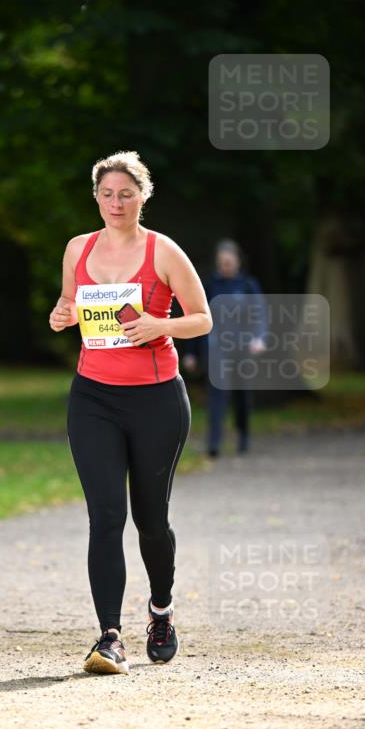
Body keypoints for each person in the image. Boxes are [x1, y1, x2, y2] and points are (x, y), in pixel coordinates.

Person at [49, 151, 212, 675]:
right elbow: (68, 306)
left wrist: (158, 326)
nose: (116, 203)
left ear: (143, 196)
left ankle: (160, 611)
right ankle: (109, 638)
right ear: (95, 198)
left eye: (126, 193)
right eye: (107, 194)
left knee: (150, 520)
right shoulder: (79, 247)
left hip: (157, 400)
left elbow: (203, 319)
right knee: (105, 518)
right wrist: (60, 314)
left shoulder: (163, 251)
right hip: (93, 398)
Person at [181, 239, 266, 458]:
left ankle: (243, 435)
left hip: (243, 349)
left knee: (242, 396)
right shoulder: (209, 286)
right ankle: (214, 442)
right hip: (217, 349)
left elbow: (260, 316)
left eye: (229, 261)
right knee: (216, 396)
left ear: (238, 262)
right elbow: (195, 316)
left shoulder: (248, 285)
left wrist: (259, 338)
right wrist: (191, 352)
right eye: (221, 262)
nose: (225, 266)